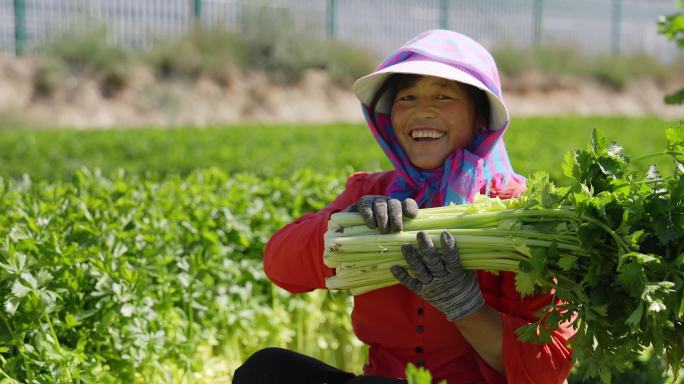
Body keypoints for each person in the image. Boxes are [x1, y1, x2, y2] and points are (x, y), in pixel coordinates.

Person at [233, 29, 575, 384]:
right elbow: (279, 264)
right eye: (407, 98)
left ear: (480, 120)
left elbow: (546, 370)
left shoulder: (519, 213)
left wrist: (466, 308)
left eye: (444, 96)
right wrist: (346, 227)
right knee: (266, 371)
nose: (422, 111)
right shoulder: (371, 192)